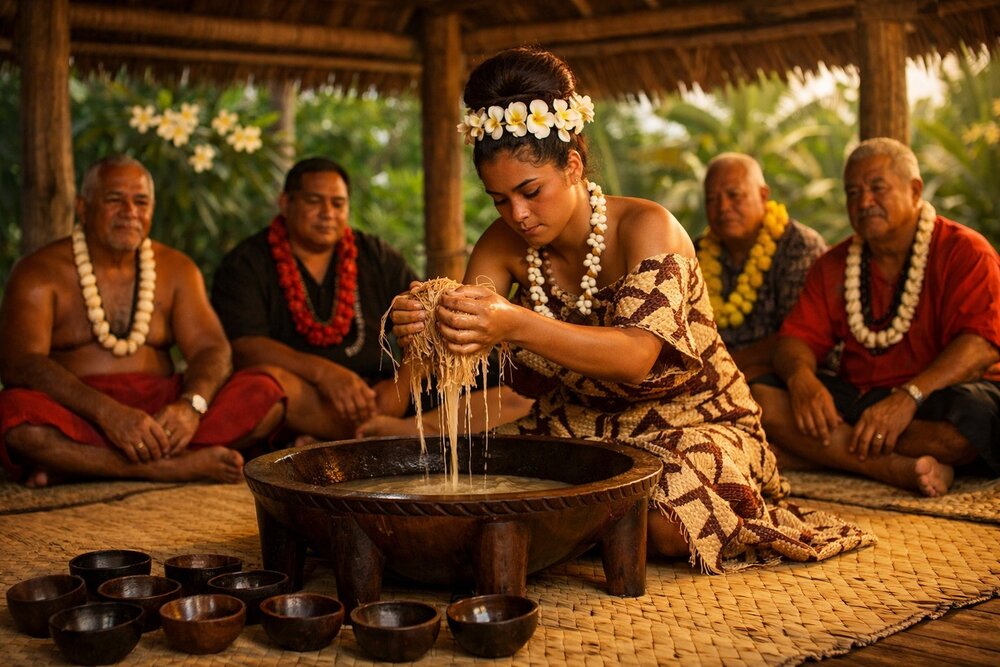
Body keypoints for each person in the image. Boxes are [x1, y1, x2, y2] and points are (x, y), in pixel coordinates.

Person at [389, 47, 872, 572]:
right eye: (499, 199)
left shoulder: (647, 227)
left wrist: (517, 322)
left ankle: (572, 524)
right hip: (577, 426)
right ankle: (583, 521)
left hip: (695, 424)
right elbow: (466, 341)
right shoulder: (501, 244)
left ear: (572, 165)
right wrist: (426, 323)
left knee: (666, 525)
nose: (518, 215)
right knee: (477, 481)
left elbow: (636, 356)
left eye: (530, 191)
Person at [0, 155, 285, 487]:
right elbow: (20, 364)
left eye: (141, 201)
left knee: (265, 394)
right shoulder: (39, 271)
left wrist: (190, 407)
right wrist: (107, 413)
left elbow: (211, 348)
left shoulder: (177, 269)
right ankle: (165, 468)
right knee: (14, 416)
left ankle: (80, 464)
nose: (130, 212)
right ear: (83, 207)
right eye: (114, 200)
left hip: (161, 413)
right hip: (79, 410)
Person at [753, 137, 1000, 497]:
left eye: (877, 188)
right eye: (852, 192)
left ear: (915, 190)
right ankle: (891, 467)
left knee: (969, 426)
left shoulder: (966, 251)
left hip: (941, 397)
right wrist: (801, 379)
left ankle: (823, 452)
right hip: (862, 399)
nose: (863, 202)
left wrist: (906, 398)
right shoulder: (836, 263)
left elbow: (980, 347)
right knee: (761, 397)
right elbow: (796, 340)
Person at [211, 158, 417, 442]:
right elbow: (245, 348)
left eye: (338, 203)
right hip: (302, 397)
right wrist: (325, 374)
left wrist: (403, 383)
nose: (327, 213)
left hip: (379, 396)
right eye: (314, 201)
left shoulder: (375, 255)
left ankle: (378, 430)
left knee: (493, 390)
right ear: (285, 203)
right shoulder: (246, 264)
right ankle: (363, 436)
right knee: (268, 386)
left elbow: (420, 313)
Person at [696, 153, 827, 379]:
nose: (723, 207)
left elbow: (797, 336)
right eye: (711, 199)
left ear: (763, 195)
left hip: (786, 374)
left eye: (734, 195)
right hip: (710, 375)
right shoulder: (694, 252)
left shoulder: (799, 246)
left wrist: (728, 366)